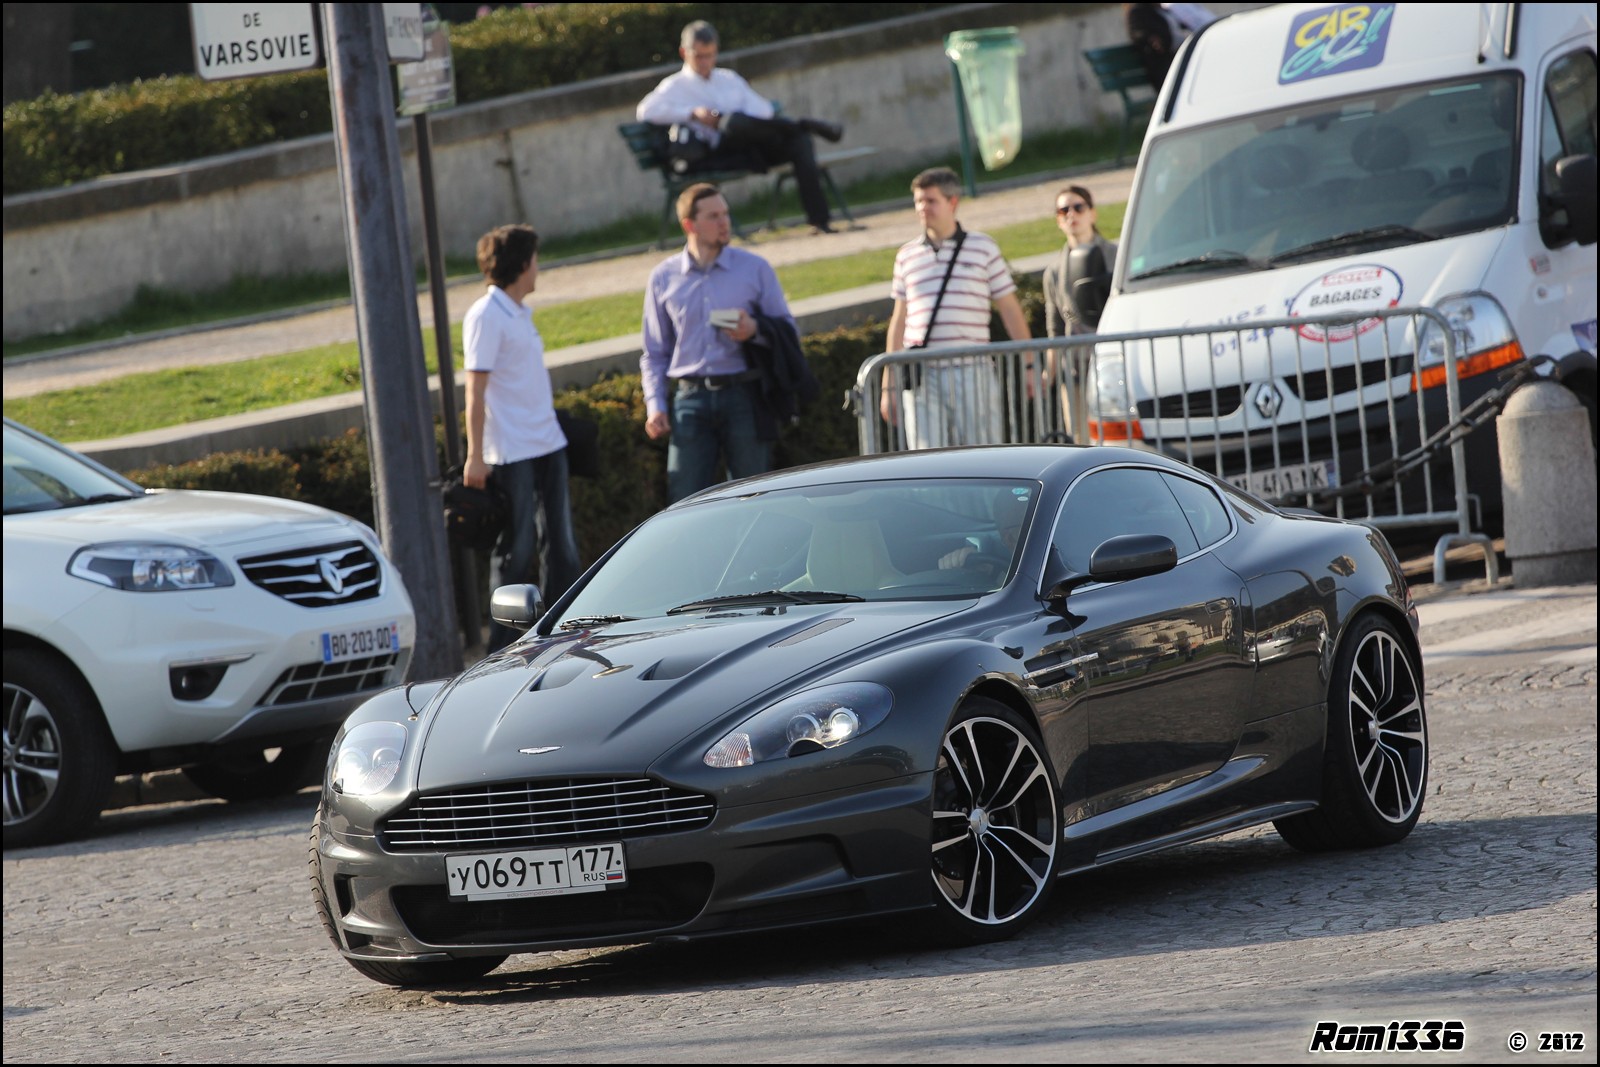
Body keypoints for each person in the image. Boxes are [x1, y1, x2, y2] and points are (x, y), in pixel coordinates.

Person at [463, 224, 581, 654]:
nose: (538, 268)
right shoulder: (486, 315)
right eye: (535, 259)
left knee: (563, 549)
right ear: (522, 263)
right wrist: (475, 456)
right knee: (517, 549)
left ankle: (559, 634)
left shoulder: (518, 312)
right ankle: (502, 649)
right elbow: (474, 391)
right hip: (512, 452)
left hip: (548, 443)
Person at [642, 182, 800, 503]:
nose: (724, 222)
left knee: (753, 498)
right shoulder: (663, 277)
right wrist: (655, 405)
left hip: (745, 395)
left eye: (726, 213)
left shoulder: (754, 268)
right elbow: (655, 352)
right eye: (714, 216)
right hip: (690, 400)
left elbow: (788, 330)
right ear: (690, 225)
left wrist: (754, 329)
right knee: (684, 500)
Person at [637, 20, 845, 234]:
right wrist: (692, 113)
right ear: (684, 53)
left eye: (710, 55)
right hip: (721, 153)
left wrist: (733, 116)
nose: (705, 62)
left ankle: (820, 220)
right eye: (699, 56)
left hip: (754, 146)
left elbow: (765, 111)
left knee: (799, 142)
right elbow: (645, 111)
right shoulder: (675, 86)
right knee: (732, 123)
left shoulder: (728, 78)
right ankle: (802, 125)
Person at [878, 166, 1033, 450]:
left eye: (931, 200)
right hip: (922, 374)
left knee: (982, 454)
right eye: (918, 201)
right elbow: (899, 320)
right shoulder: (906, 255)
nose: (922, 208)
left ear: (952, 202)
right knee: (926, 459)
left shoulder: (983, 247)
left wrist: (1029, 363)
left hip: (972, 369)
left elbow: (1009, 308)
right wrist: (889, 384)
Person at [1124, 3, 1218, 91]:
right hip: (1165, 67)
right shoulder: (1138, 12)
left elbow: (1179, 27)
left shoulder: (1159, 9)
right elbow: (1139, 34)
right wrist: (1153, 39)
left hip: (1180, 57)